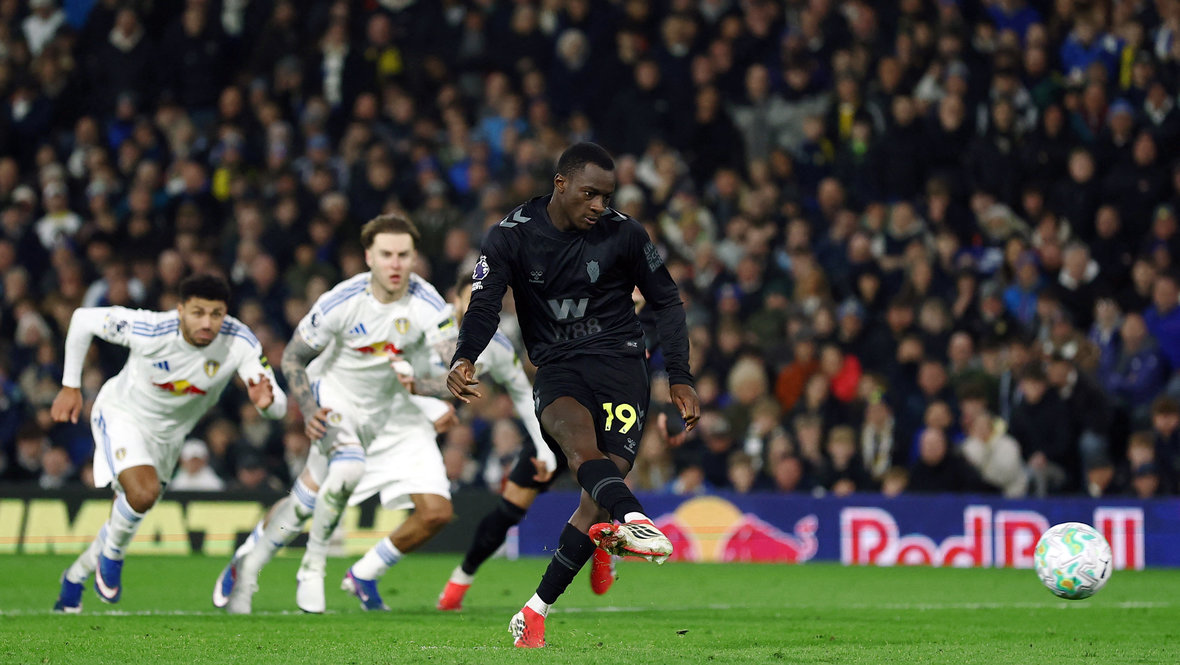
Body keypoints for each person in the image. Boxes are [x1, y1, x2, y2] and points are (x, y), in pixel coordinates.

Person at [446, 142, 700, 648]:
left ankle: (534, 611)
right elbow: (484, 303)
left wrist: (680, 375)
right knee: (582, 451)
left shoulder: (626, 234)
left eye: (607, 196)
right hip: (559, 368)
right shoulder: (511, 236)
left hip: (622, 366)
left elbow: (668, 301)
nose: (599, 206)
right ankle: (636, 521)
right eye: (590, 195)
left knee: (596, 496)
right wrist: (464, 355)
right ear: (560, 184)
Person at [214, 214, 458, 614]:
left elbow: (455, 376)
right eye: (386, 254)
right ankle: (277, 564)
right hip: (337, 399)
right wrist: (310, 410)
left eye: (403, 255)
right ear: (369, 257)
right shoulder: (340, 302)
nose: (395, 264)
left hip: (397, 412)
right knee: (318, 492)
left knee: (437, 512)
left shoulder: (429, 305)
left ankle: (362, 574)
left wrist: (428, 388)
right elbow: (293, 356)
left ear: (414, 258)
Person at [51, 274, 286, 613]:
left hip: (170, 438)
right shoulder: (150, 329)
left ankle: (74, 578)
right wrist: (70, 385)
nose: (207, 323)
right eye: (198, 312)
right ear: (180, 310)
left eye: (216, 314)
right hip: (122, 414)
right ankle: (113, 556)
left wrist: (267, 404)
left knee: (128, 511)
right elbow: (82, 319)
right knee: (142, 494)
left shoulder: (240, 343)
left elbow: (277, 405)